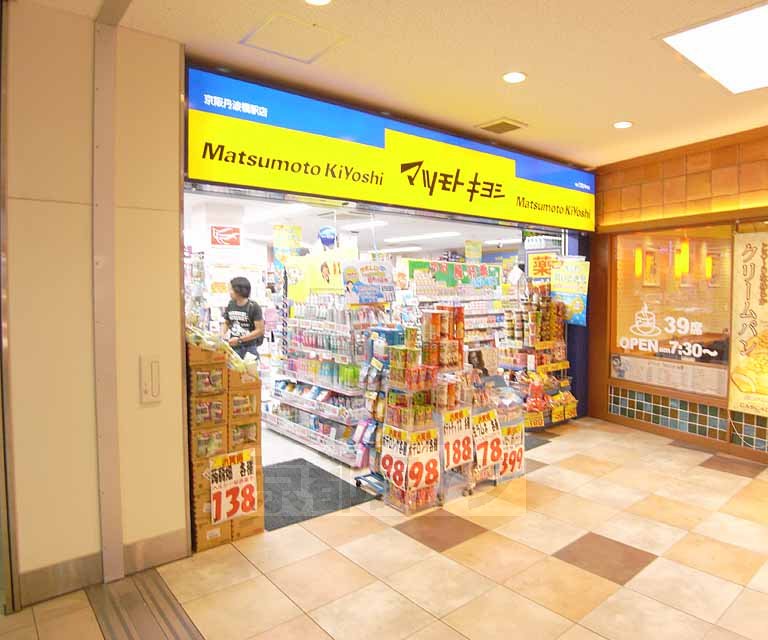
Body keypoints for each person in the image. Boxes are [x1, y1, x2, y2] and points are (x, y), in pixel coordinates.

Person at [221, 277, 264, 360]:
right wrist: (222, 334)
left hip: (249, 348)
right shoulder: (231, 304)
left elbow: (260, 330)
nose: (229, 292)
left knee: (250, 368)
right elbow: (226, 322)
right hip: (233, 347)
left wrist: (239, 340)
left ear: (238, 291)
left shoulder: (254, 306)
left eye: (231, 289)